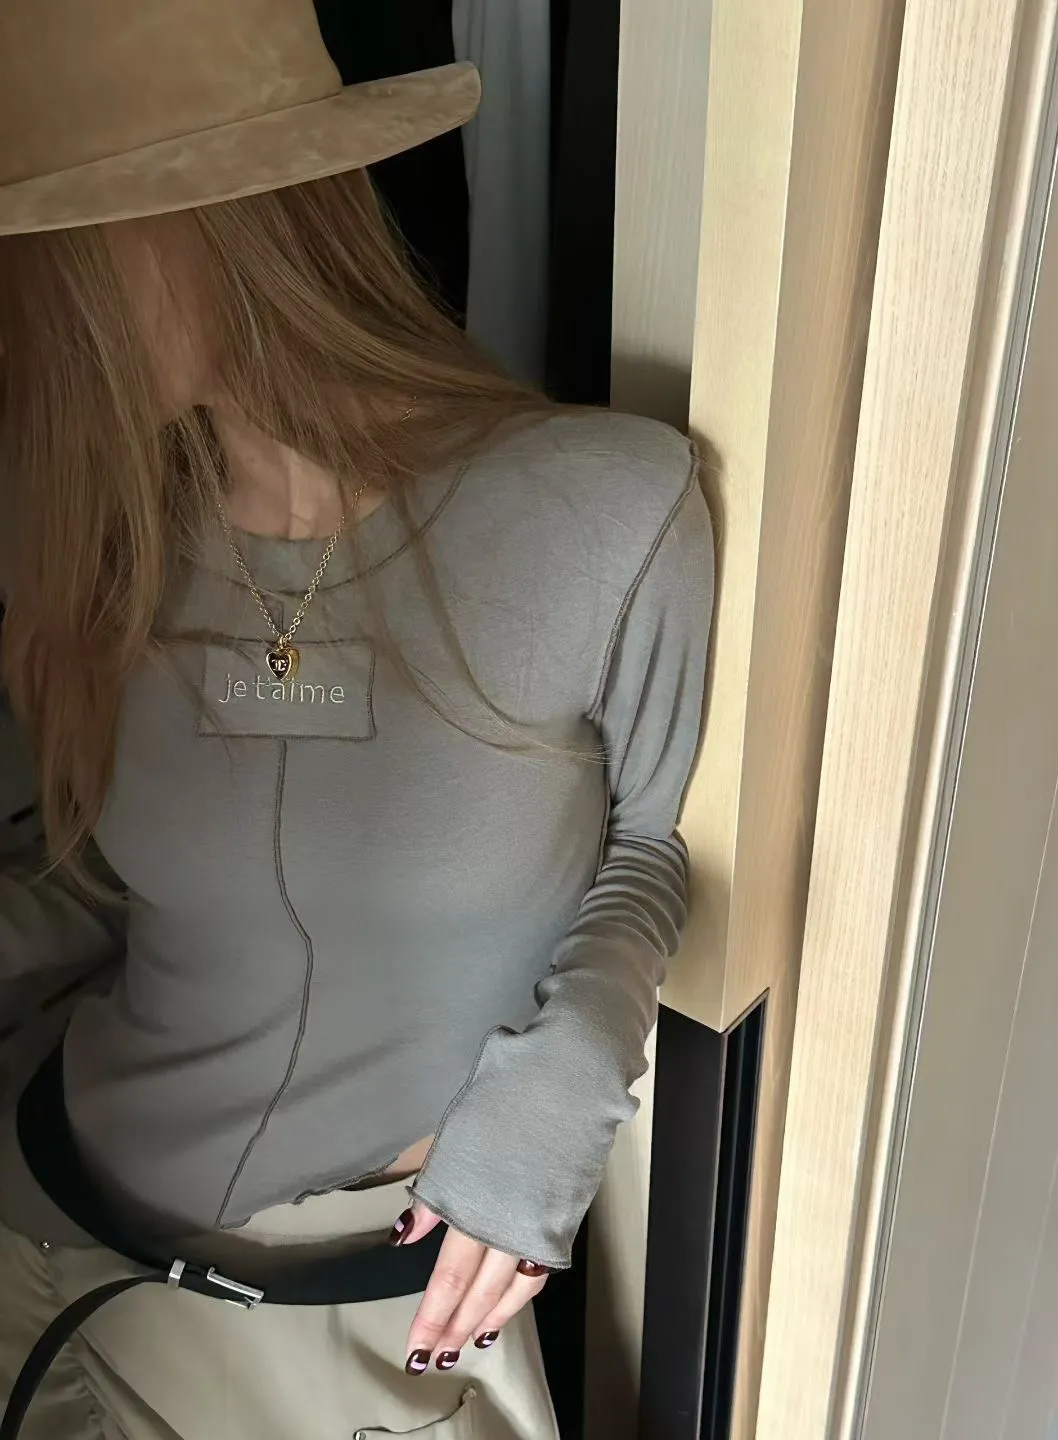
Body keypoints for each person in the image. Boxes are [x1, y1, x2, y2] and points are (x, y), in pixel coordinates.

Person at [0, 2, 714, 1437]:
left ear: (220, 222)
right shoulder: (96, 532)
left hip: (364, 1314)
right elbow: (108, 878)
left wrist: (570, 1074)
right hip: (38, 1234)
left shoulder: (606, 511)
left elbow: (653, 842)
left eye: (43, 252)